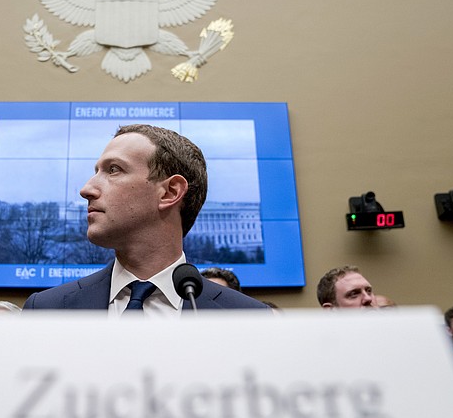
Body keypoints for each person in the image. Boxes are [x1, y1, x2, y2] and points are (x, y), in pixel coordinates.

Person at [23, 124, 270, 313]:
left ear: (170, 192)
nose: (86, 189)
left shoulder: (249, 318)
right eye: (96, 171)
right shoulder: (46, 309)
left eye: (113, 170)